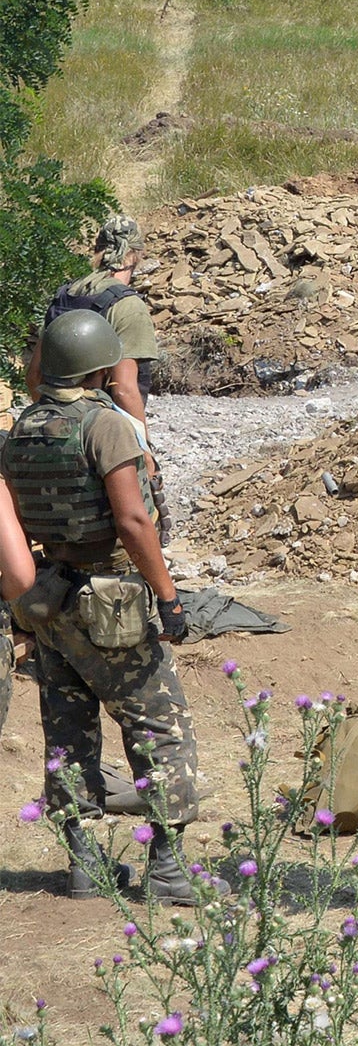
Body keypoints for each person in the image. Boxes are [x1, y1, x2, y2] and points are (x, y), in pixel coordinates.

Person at [0, 309, 197, 903]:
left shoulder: (23, 428)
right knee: (161, 726)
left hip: (51, 599)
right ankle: (166, 869)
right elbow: (134, 520)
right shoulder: (104, 425)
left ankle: (84, 865)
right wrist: (169, 599)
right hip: (111, 601)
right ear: (100, 364)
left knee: (68, 731)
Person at [36, 214, 162, 426]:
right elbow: (123, 390)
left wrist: (56, 425)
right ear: (136, 255)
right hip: (102, 433)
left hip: (51, 430)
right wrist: (144, 448)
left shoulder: (66, 295)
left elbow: (34, 376)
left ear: (98, 250)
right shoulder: (128, 306)